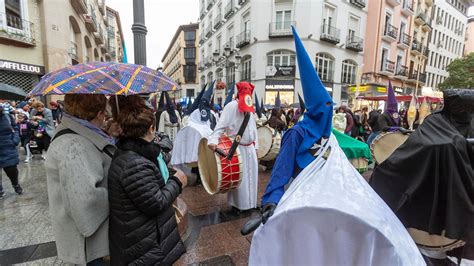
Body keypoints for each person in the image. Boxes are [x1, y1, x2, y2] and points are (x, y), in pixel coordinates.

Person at [249, 26, 423, 265]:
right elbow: (282, 169)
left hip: (330, 201)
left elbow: (342, 158)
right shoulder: (296, 133)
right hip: (304, 201)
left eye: (330, 107)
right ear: (316, 109)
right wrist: (271, 200)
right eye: (325, 107)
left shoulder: (328, 134)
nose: (328, 112)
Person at [370, 88, 474, 264]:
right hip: (422, 177)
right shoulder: (436, 122)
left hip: (450, 183)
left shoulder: (468, 124)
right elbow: (422, 145)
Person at [108, 95, 187, 265]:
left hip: (143, 239)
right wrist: (178, 181)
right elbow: (156, 203)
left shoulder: (133, 151)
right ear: (151, 129)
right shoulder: (133, 163)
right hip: (143, 246)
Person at [45, 94, 115, 265]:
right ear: (99, 114)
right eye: (104, 115)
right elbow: (84, 202)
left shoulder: (76, 132)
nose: (105, 118)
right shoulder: (74, 145)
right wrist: (119, 194)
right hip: (89, 247)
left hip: (90, 243)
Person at [207, 81, 259, 212]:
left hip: (250, 148)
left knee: (252, 177)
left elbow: (254, 129)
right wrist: (213, 140)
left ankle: (251, 203)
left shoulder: (250, 107)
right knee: (240, 179)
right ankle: (238, 206)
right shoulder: (231, 106)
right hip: (238, 148)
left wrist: (256, 147)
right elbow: (220, 126)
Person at [0, 106, 23, 198]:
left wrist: (15, 139)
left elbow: (15, 127)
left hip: (7, 147)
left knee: (12, 169)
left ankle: (15, 184)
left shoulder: (7, 116)